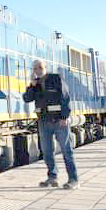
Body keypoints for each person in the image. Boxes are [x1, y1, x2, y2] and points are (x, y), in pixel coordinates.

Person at [23, 60, 78, 190]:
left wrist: (65, 117)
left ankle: (73, 180)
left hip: (59, 121)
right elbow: (27, 98)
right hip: (43, 122)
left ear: (45, 67)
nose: (38, 70)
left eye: (40, 67)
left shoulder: (55, 78)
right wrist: (32, 85)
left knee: (66, 151)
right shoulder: (34, 85)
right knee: (47, 152)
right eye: (35, 68)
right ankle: (52, 177)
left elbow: (65, 97)